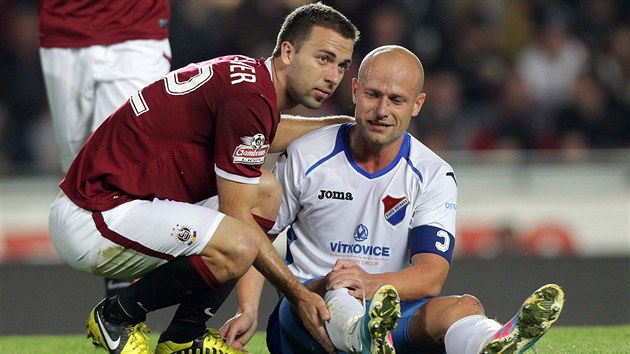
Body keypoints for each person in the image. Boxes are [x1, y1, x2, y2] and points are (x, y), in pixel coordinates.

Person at [48, 3, 360, 354]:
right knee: (240, 241)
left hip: (117, 206)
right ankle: (116, 315)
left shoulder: (249, 82)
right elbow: (237, 219)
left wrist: (337, 125)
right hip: (95, 215)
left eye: (342, 65)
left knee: (266, 192)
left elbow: (263, 132)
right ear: (288, 51)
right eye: (324, 58)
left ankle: (184, 336)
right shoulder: (250, 100)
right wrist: (298, 294)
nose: (333, 76)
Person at [257, 45, 564, 354]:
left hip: (388, 316)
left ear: (417, 105)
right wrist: (247, 309)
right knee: (338, 289)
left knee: (464, 307)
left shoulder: (433, 174)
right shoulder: (306, 155)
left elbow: (431, 276)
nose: (381, 110)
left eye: (397, 100)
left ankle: (490, 342)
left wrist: (371, 283)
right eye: (373, 95)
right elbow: (257, 238)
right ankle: (360, 335)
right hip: (306, 316)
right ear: (354, 90)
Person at [38, 0, 173, 297]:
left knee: (127, 165)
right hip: (64, 27)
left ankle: (120, 305)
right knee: (76, 175)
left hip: (137, 29)